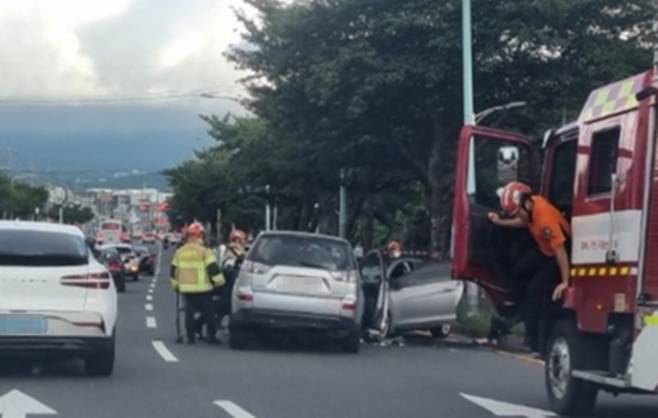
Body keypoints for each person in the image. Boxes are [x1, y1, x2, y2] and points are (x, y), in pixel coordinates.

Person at [487, 181, 571, 352]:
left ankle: (533, 338)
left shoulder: (545, 218)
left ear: (526, 204)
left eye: (518, 212)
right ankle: (517, 310)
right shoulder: (530, 207)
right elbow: (523, 222)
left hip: (556, 256)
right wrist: (500, 222)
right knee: (517, 271)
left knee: (534, 290)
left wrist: (565, 281)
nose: (518, 216)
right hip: (543, 250)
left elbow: (561, 252)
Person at [170, 222, 225, 344]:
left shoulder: (180, 252)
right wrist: (220, 283)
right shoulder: (204, 251)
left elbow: (173, 270)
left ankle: (190, 337)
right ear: (201, 236)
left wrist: (176, 286)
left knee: (189, 312)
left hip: (186, 289)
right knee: (210, 312)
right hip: (203, 289)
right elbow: (213, 269)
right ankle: (210, 335)